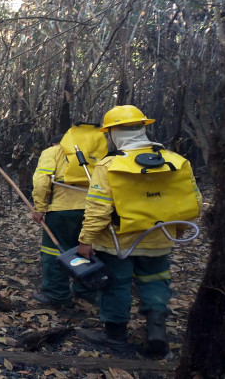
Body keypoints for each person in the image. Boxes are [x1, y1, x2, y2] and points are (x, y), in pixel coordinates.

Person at [77, 105, 202, 358]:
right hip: (158, 238)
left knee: (116, 285)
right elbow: (194, 202)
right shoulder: (176, 161)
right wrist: (176, 226)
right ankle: (157, 333)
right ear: (143, 127)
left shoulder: (109, 165)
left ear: (112, 133)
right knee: (155, 282)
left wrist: (85, 240)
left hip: (117, 243)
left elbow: (98, 209)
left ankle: (116, 339)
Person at [31, 134, 96, 307]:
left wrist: (40, 207)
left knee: (54, 252)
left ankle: (57, 295)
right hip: (93, 210)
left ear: (56, 142)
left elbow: (41, 181)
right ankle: (86, 290)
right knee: (85, 249)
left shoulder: (53, 152)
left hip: (62, 211)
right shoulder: (94, 152)